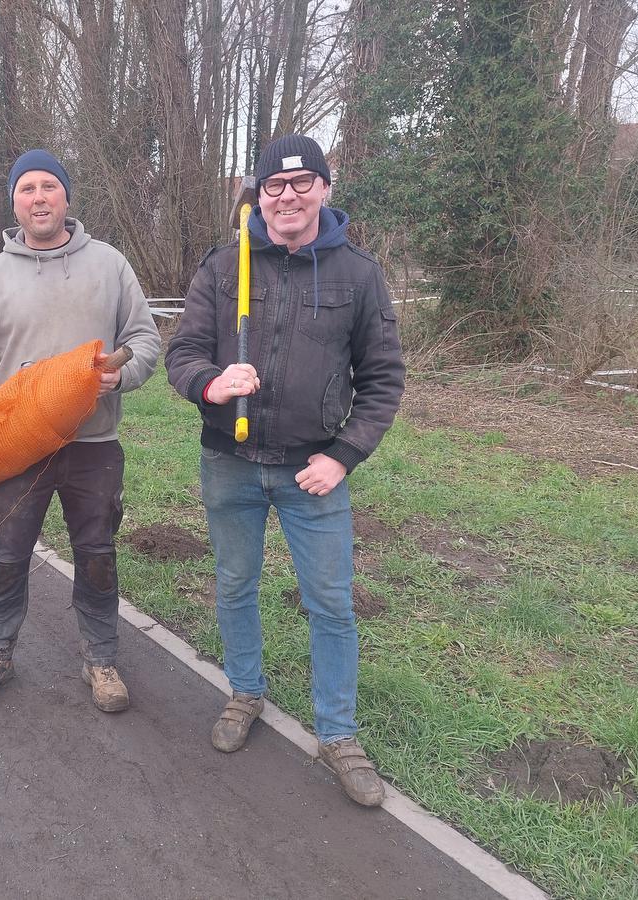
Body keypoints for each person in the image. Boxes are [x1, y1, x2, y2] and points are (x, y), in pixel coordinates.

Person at [165, 134, 404, 806]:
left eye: (303, 185)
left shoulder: (358, 275)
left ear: (325, 190)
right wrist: (210, 384)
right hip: (230, 464)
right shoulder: (223, 266)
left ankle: (338, 732)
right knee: (235, 584)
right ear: (258, 194)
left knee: (331, 604)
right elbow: (182, 353)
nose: (288, 197)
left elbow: (384, 380)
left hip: (312, 474)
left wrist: (343, 455)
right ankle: (245, 692)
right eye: (275, 186)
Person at [0, 149, 161, 714]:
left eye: (48, 186)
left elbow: (147, 340)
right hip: (18, 448)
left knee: (96, 552)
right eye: (26, 188)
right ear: (15, 202)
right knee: (5, 552)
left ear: (66, 197)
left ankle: (101, 658)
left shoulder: (109, 265)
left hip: (93, 445)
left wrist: (120, 373)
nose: (39, 197)